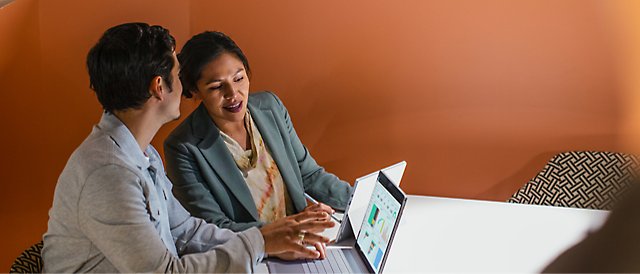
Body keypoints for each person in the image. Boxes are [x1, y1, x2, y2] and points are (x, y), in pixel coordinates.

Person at [42, 23, 334, 273]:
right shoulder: (108, 175)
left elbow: (187, 231)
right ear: (159, 87)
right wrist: (260, 243)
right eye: (178, 73)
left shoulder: (141, 154)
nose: (184, 86)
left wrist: (269, 239)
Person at [164, 31, 353, 232]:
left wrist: (359, 204)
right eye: (217, 87)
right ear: (195, 91)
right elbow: (214, 228)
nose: (233, 94)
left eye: (238, 78)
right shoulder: (182, 147)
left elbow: (309, 175)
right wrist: (290, 229)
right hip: (250, 255)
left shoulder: (271, 107)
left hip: (301, 241)